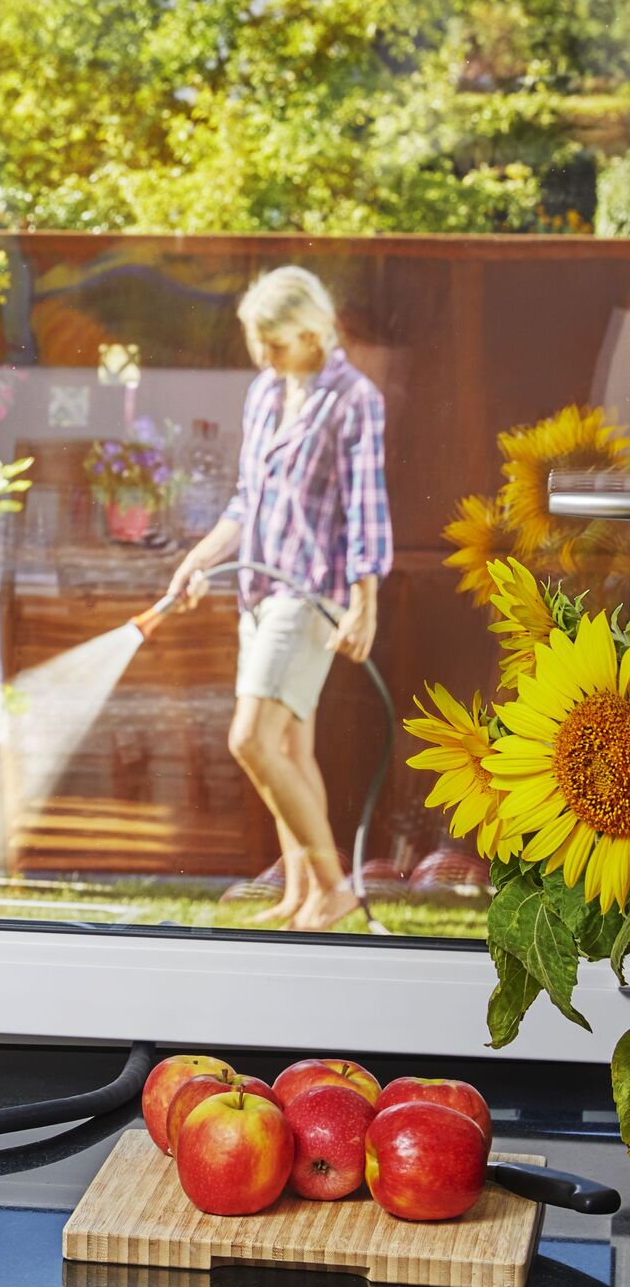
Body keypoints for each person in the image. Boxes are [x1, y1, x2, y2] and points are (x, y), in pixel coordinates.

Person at [167, 267, 392, 931]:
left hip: (309, 594)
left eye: (273, 344)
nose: (262, 358)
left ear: (310, 330)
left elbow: (365, 507)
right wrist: (200, 558)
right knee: (290, 751)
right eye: (256, 345)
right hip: (258, 589)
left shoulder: (354, 399)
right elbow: (247, 500)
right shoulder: (267, 393)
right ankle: (301, 894)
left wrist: (364, 601)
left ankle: (334, 885)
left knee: (250, 740)